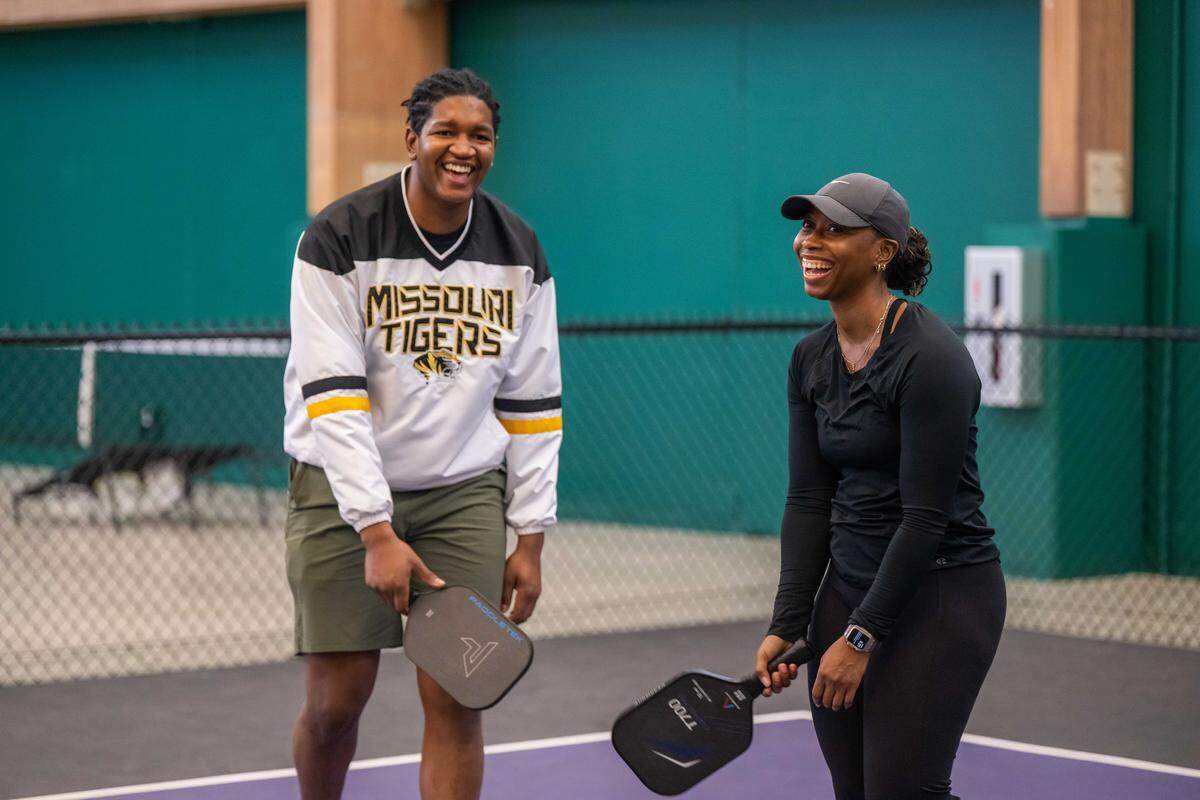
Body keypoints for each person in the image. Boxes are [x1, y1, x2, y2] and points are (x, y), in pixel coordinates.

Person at [282, 67, 562, 800]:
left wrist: (530, 536)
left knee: (457, 696)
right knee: (338, 700)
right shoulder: (338, 237)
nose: (463, 148)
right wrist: (375, 530)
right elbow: (333, 395)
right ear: (412, 139)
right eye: (446, 131)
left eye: (480, 135)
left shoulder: (519, 250)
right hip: (339, 490)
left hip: (462, 491)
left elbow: (533, 402)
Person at [753, 173, 1005, 800]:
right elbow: (809, 498)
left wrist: (862, 636)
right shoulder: (810, 358)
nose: (811, 240)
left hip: (941, 594)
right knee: (854, 789)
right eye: (807, 226)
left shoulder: (932, 360)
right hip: (846, 586)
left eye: (834, 229)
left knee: (903, 791)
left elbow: (924, 519)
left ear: (883, 251)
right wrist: (788, 620)